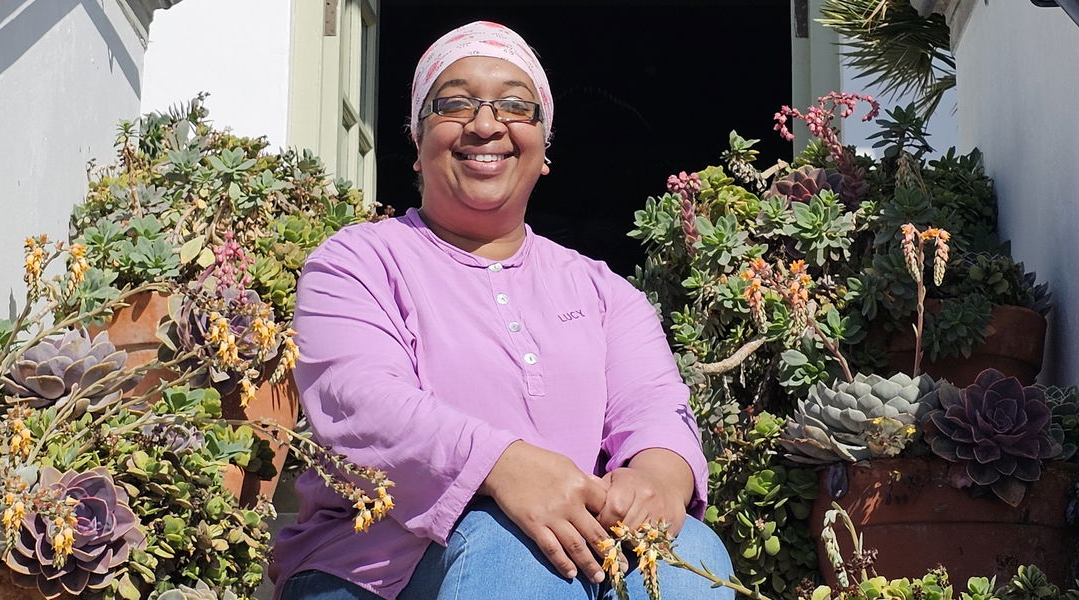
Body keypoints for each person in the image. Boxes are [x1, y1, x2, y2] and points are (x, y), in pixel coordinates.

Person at [271, 21, 734, 600]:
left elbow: (655, 408)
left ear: (543, 151)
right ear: (417, 143)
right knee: (515, 548)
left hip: (578, 548)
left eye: (516, 106)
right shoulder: (358, 263)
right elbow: (358, 398)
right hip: (375, 569)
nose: (485, 125)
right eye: (455, 103)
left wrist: (657, 479)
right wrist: (503, 466)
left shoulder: (602, 291)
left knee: (689, 552)